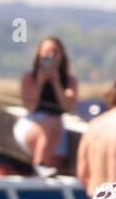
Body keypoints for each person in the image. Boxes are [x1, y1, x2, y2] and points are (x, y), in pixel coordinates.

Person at [15, 36, 78, 172]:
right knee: (53, 122)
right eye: (46, 52)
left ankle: (41, 172)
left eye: (55, 52)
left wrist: (56, 83)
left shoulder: (69, 80)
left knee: (58, 160)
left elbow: (69, 107)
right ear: (39, 55)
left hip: (56, 129)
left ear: (61, 56)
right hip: (33, 122)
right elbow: (30, 107)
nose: (50, 56)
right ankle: (40, 164)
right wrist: (39, 82)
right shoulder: (29, 77)